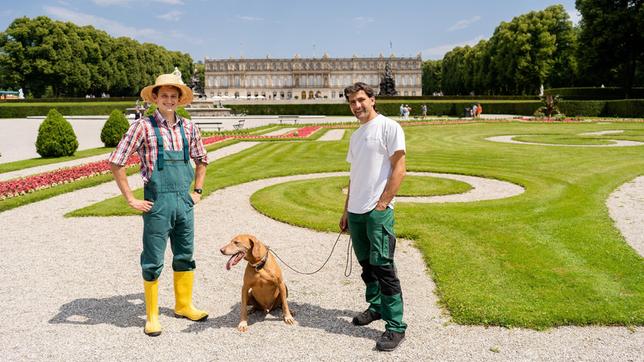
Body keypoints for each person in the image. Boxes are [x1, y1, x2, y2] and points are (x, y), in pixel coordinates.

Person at [109, 70, 209, 337]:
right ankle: (152, 315)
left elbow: (202, 160)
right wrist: (130, 198)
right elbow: (116, 161)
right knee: (153, 260)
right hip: (157, 203)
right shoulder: (142, 126)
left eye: (173, 95)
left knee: (185, 255)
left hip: (184, 202)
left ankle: (183, 305)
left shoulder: (189, 127)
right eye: (163, 95)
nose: (168, 99)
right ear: (155, 98)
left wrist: (197, 191)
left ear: (179, 99)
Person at [339, 82, 407, 351]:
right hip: (356, 211)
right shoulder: (356, 135)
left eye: (360, 100)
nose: (357, 106)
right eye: (352, 102)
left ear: (372, 99)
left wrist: (383, 204)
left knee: (384, 267)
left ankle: (396, 326)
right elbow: (354, 176)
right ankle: (376, 306)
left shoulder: (389, 127)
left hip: (377, 211)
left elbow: (400, 167)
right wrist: (346, 210)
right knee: (367, 266)